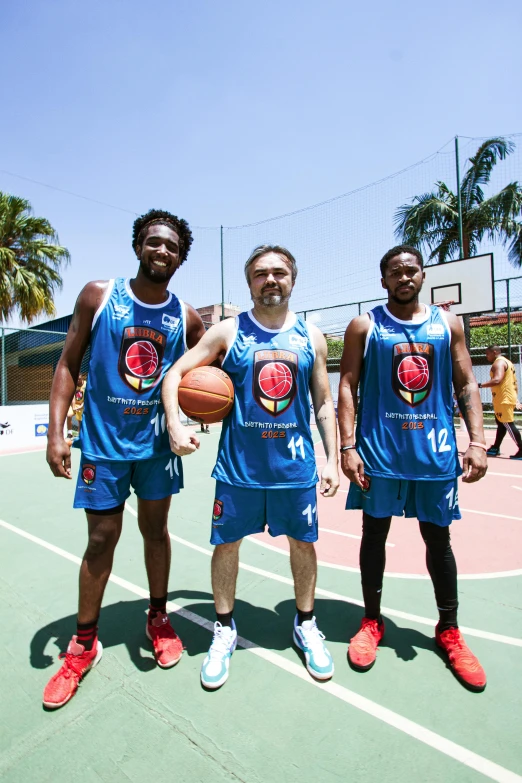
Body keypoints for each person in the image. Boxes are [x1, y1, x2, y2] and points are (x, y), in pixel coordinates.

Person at [43, 209, 206, 709]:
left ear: (180, 258)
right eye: (154, 242)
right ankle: (83, 643)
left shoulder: (188, 316)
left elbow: (208, 373)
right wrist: (57, 432)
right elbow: (69, 362)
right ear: (138, 246)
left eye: (172, 247)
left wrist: (204, 407)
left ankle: (158, 616)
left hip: (157, 446)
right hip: (104, 444)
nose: (162, 251)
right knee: (100, 538)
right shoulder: (100, 295)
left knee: (156, 532)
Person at [163, 244, 339, 689]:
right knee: (227, 547)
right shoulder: (228, 332)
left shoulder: (310, 337)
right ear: (249, 283)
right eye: (261, 274)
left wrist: (332, 459)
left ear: (293, 280)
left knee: (303, 545)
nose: (270, 280)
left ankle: (304, 623)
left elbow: (322, 402)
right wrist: (175, 423)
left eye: (279, 272)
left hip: (294, 470)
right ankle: (224, 627)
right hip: (238, 470)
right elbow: (174, 375)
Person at [338, 245, 488, 692]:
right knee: (374, 535)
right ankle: (371, 621)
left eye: (411, 270)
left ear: (423, 276)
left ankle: (449, 630)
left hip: (435, 454)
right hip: (380, 455)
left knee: (438, 541)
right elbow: (346, 385)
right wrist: (348, 446)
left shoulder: (448, 325)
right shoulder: (366, 325)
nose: (404, 277)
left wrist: (477, 441)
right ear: (383, 280)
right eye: (395, 272)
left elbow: (465, 382)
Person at [480, 346, 522, 460]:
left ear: (494, 352)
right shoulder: (508, 362)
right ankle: (496, 447)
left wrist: (480, 385)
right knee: (501, 424)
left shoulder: (498, 363)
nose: (486, 356)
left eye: (487, 354)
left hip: (503, 399)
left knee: (508, 424)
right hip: (504, 397)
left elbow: (497, 380)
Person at [66, 372, 87, 439]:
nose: (78, 381)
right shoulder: (73, 384)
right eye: (76, 379)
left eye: (79, 379)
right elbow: (72, 397)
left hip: (83, 405)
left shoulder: (86, 385)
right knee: (68, 415)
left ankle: (79, 436)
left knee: (80, 421)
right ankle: (70, 433)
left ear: (81, 378)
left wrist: (81, 406)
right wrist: (74, 406)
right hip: (75, 405)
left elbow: (87, 398)